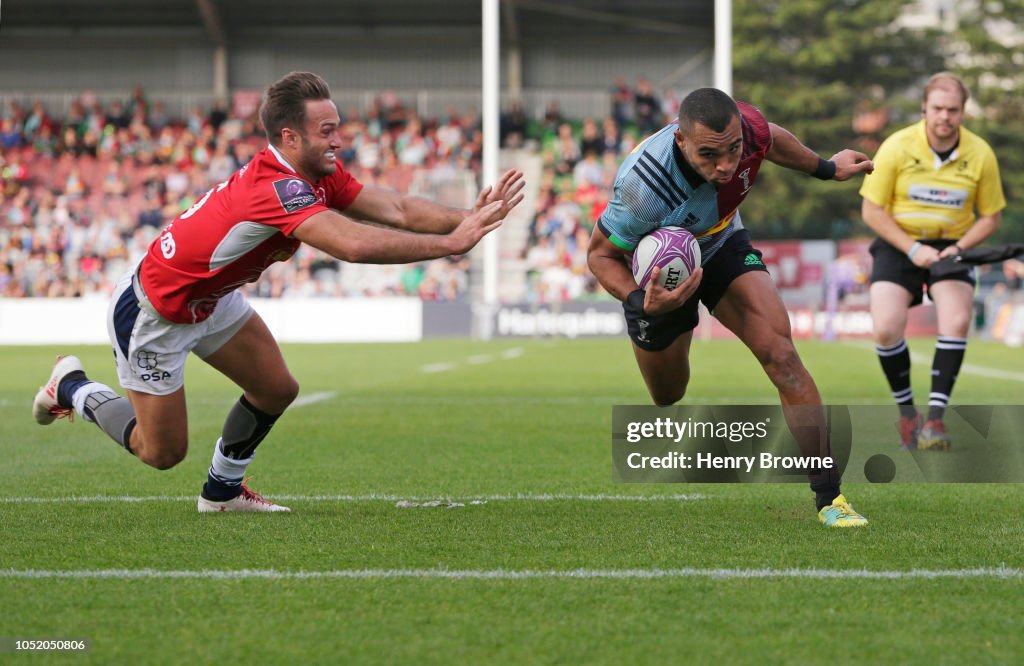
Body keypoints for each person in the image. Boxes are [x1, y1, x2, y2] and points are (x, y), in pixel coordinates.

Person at [32, 71, 524, 512]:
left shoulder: (314, 174)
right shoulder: (278, 188)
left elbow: (394, 208)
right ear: (290, 137)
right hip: (155, 312)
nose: (339, 139)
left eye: (338, 127)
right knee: (160, 452)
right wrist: (450, 244)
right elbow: (350, 244)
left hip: (210, 299)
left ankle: (222, 495)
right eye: (327, 131)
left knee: (275, 388)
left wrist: (468, 218)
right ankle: (70, 386)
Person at [587, 87, 874, 527]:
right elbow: (600, 255)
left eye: (733, 150)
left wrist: (826, 168)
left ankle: (829, 498)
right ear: (682, 142)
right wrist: (640, 302)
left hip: (721, 244)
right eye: (709, 155)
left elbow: (773, 139)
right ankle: (671, 326)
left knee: (782, 355)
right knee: (668, 395)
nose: (726, 165)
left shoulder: (748, 131)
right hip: (659, 281)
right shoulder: (642, 185)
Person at [860, 72, 1005, 451]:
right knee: (885, 327)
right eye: (938, 108)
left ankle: (936, 420)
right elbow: (872, 211)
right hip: (898, 243)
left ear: (963, 112)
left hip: (953, 244)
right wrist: (913, 249)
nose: (944, 116)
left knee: (957, 319)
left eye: (953, 110)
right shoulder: (896, 146)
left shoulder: (980, 153)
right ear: (924, 108)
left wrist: (957, 249)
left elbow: (991, 216)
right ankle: (909, 416)